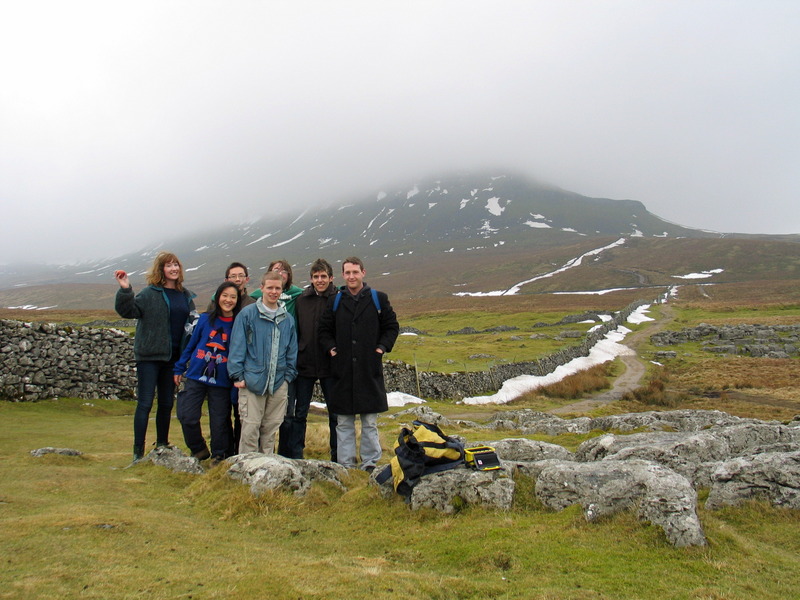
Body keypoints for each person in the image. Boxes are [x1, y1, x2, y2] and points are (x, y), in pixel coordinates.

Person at [318, 256, 399, 471]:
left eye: (355, 272)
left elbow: (391, 326)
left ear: (363, 272)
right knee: (343, 423)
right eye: (347, 273)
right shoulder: (335, 300)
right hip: (342, 371)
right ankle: (345, 464)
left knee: (369, 422)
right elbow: (324, 331)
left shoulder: (378, 299)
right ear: (343, 275)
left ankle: (370, 463)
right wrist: (332, 349)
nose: (351, 276)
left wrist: (381, 347)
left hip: (368, 370)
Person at [114, 252, 197, 461]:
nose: (174, 269)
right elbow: (128, 310)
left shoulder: (186, 295)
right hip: (150, 356)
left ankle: (162, 446)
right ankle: (137, 453)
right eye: (169, 265)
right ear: (161, 270)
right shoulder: (150, 293)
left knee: (167, 403)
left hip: (173, 358)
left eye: (176, 264)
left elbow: (192, 325)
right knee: (145, 403)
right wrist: (125, 289)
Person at [228, 271, 298, 454]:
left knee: (271, 429)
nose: (274, 292)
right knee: (250, 428)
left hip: (278, 383)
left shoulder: (287, 320)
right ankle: (247, 470)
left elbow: (292, 350)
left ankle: (267, 469)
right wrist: (237, 375)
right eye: (270, 288)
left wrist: (287, 378)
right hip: (252, 382)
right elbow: (237, 346)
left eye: (277, 288)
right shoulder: (247, 315)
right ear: (262, 288)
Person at [174, 281, 242, 462]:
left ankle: (219, 455)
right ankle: (198, 449)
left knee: (219, 422)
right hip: (196, 376)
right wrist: (180, 366)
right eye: (225, 295)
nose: (228, 300)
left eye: (233, 297)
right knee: (187, 415)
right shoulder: (205, 319)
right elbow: (192, 344)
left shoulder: (239, 323)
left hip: (222, 381)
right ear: (218, 296)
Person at [278, 258, 338, 460]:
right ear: (311, 279)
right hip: (304, 364)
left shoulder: (338, 299)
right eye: (315, 277)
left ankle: (337, 455)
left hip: (331, 366)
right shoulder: (302, 299)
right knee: (299, 413)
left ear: (331, 278)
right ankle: (296, 455)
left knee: (335, 414)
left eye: (323, 276)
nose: (319, 280)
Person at [206, 261, 256, 456]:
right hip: (218, 365)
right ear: (227, 279)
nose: (237, 279)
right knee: (220, 413)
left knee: (241, 413)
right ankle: (221, 454)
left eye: (240, 275)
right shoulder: (215, 302)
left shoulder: (252, 304)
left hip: (243, 367)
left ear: (246, 279)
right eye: (233, 276)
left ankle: (239, 454)